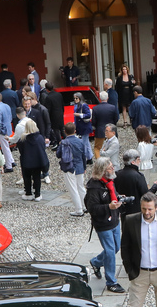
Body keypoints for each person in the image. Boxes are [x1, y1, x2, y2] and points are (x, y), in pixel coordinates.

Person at [85, 158, 125, 294]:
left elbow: (113, 195)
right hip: (103, 223)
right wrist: (109, 206)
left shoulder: (109, 182)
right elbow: (92, 208)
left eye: (112, 166)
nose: (112, 169)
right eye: (109, 168)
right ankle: (111, 282)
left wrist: (119, 197)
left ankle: (96, 262)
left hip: (114, 220)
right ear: (102, 171)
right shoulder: (94, 188)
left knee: (116, 248)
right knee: (110, 251)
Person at [59, 122, 91, 217]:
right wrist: (84, 167)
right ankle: (86, 206)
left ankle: (78, 210)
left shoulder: (64, 142)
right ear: (75, 131)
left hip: (69, 167)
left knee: (73, 189)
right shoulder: (80, 141)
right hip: (80, 166)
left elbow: (58, 154)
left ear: (65, 132)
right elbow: (84, 155)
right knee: (81, 187)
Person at [16, 116, 48, 201]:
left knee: (27, 178)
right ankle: (37, 194)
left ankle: (28, 193)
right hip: (37, 162)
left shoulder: (23, 139)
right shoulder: (40, 138)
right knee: (37, 178)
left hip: (26, 162)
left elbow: (20, 150)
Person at [114, 149, 149, 217]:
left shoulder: (117, 174)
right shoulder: (138, 176)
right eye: (138, 159)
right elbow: (145, 194)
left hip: (123, 209)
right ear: (133, 162)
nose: (140, 161)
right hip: (136, 211)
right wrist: (154, 187)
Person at [0, 93, 15, 172]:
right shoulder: (6, 106)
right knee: (6, 146)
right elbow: (10, 117)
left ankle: (9, 166)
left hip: (2, 130)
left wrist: (0, 129)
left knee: (5, 148)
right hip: (8, 128)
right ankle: (11, 161)